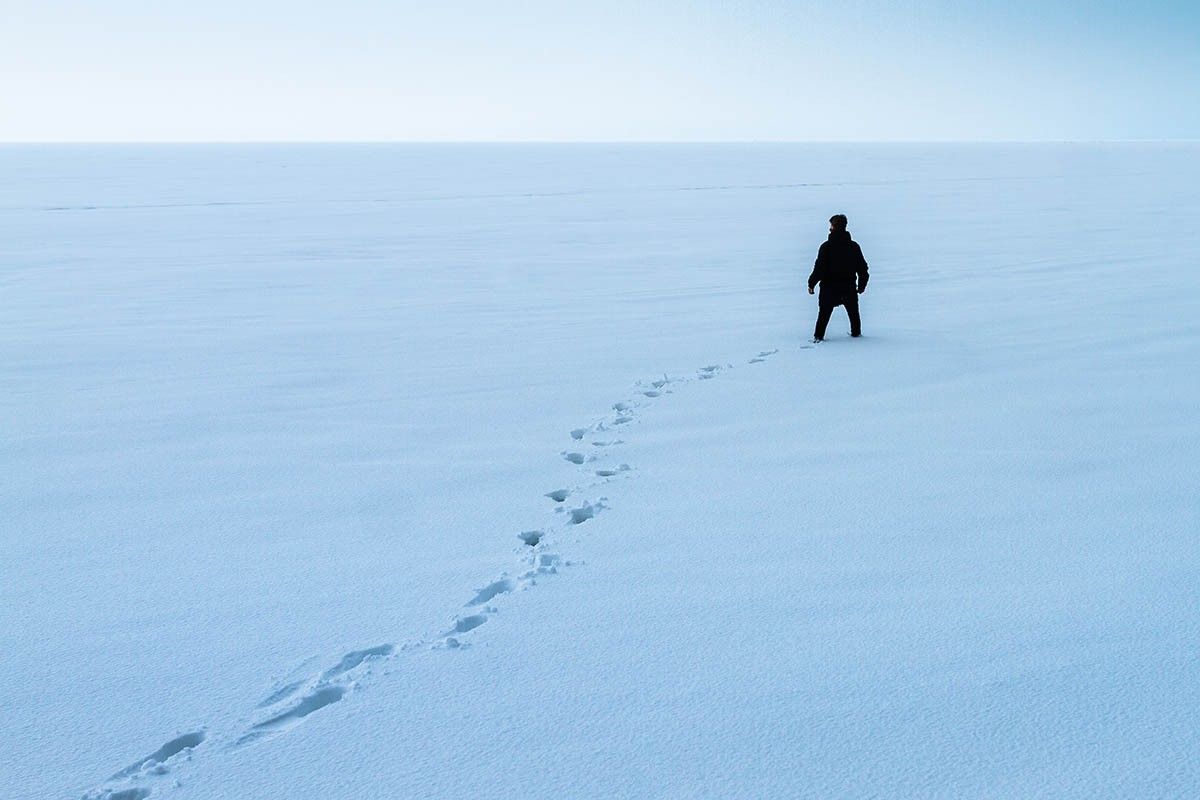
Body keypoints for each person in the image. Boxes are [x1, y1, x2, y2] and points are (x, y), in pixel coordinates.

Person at [808, 214, 869, 341]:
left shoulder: (826, 247)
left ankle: (818, 338)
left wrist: (811, 283)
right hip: (848, 288)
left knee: (823, 316)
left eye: (831, 225)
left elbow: (819, 269)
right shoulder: (853, 246)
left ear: (833, 227)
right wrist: (862, 285)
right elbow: (862, 269)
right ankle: (857, 337)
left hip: (828, 288)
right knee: (854, 316)